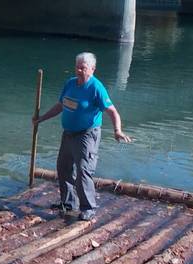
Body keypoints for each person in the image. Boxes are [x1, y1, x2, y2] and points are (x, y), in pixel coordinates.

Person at [33, 52, 131, 221]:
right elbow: (60, 105)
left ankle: (88, 208)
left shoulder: (96, 88)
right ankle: (68, 203)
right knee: (63, 168)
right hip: (68, 134)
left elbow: (112, 111)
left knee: (84, 171)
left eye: (83, 68)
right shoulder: (70, 83)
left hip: (86, 135)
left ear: (92, 69)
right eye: (77, 66)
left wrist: (117, 130)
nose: (79, 70)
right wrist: (41, 119)